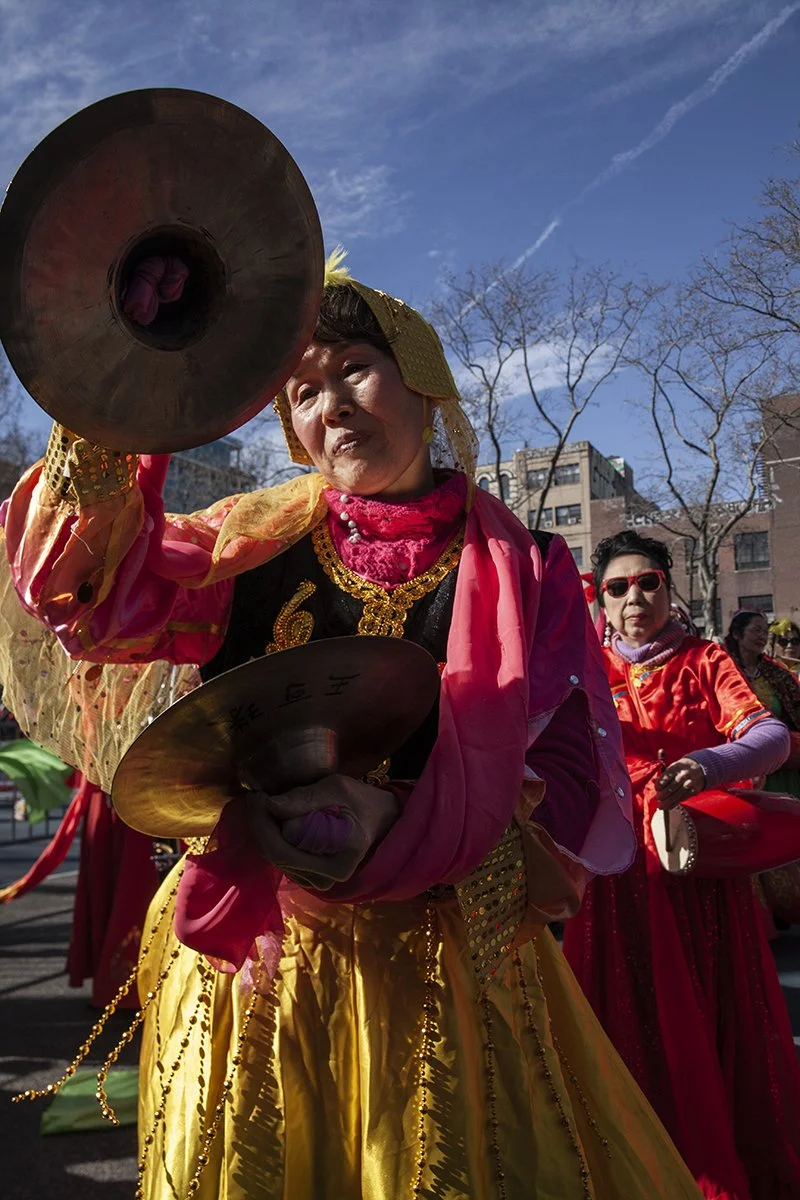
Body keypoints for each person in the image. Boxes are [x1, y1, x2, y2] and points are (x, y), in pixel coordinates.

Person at [0, 258, 703, 1198]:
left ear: (420, 378)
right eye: (301, 392)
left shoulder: (525, 567)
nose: (331, 406)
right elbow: (83, 597)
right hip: (257, 968)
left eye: (355, 370)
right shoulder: (244, 543)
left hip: (442, 967)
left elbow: (570, 776)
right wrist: (112, 392)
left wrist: (401, 822)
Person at [563, 531, 800, 1200]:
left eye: (648, 583)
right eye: (618, 587)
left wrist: (707, 767)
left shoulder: (703, 660)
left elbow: (770, 735)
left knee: (705, 1016)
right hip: (611, 877)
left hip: (694, 872)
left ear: (670, 589)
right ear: (600, 599)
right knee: (615, 1021)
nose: (634, 596)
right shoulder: (580, 670)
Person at [725, 609, 800, 927]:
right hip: (739, 767)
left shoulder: (778, 673)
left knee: (785, 835)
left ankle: (788, 907)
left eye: (764, 630)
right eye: (755, 630)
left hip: (782, 767)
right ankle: (758, 917)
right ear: (738, 635)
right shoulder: (723, 671)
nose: (762, 636)